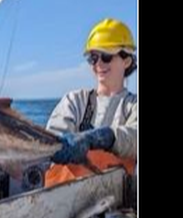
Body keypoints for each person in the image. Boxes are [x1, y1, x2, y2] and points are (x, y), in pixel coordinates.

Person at [46, 18, 138, 186]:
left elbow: (135, 137)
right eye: (93, 58)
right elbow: (51, 143)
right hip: (64, 199)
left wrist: (105, 137)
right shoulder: (74, 101)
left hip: (118, 202)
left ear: (127, 60)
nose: (99, 64)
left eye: (106, 56)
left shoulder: (134, 106)